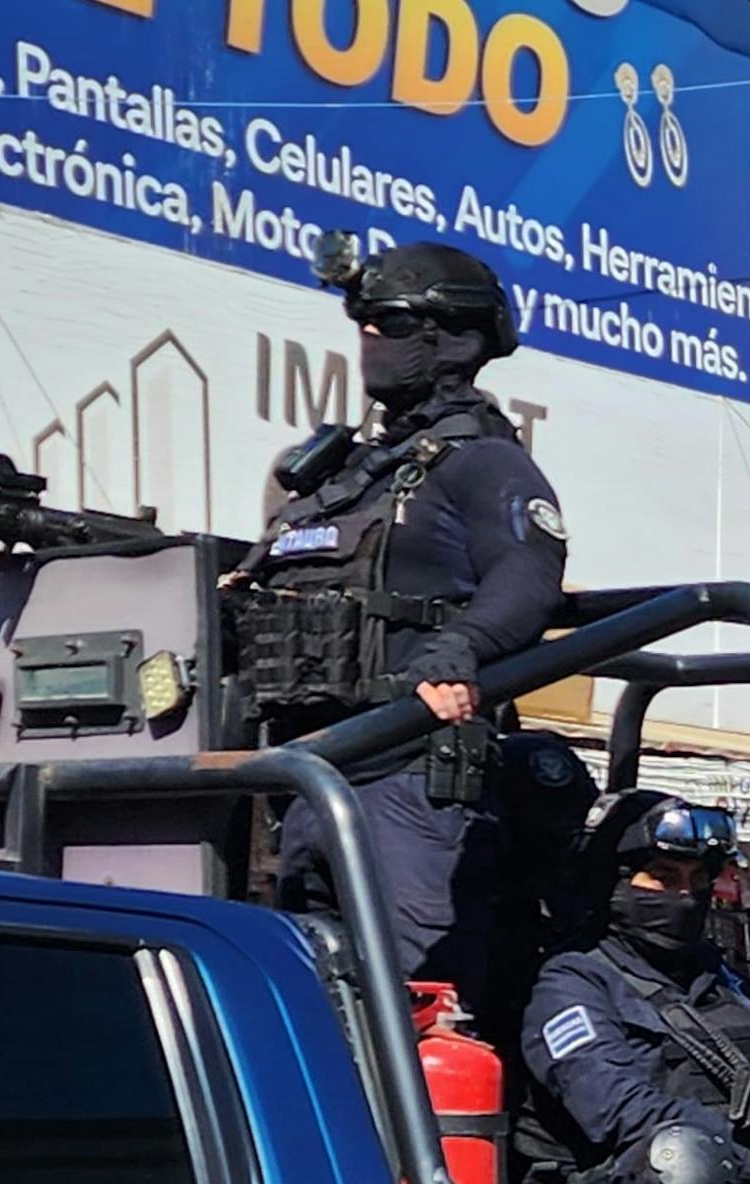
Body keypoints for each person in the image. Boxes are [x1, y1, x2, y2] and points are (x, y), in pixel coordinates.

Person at [229, 242, 570, 1018]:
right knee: (309, 1003)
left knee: (414, 1011)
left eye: (390, 323)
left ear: (453, 339)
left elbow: (528, 578)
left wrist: (462, 648)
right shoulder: (335, 477)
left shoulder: (480, 463)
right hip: (309, 775)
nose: (370, 344)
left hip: (409, 780)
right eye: (366, 325)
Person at [515, 793, 750, 1184]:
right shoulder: (571, 984)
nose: (686, 896)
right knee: (684, 1164)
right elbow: (625, 1114)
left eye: (698, 879)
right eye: (663, 877)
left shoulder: (719, 977)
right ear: (612, 882)